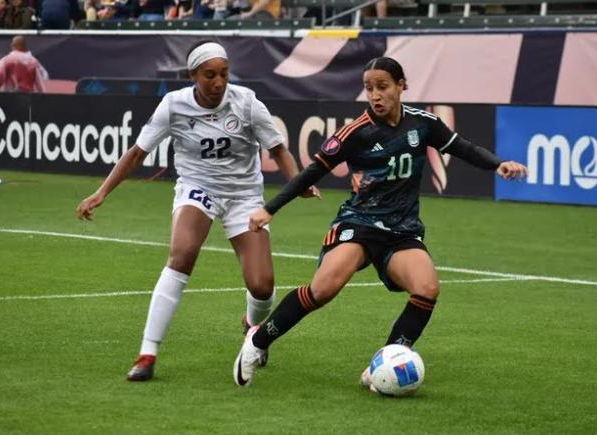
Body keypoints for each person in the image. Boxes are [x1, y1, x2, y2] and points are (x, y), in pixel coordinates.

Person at [233, 56, 527, 388]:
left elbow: (464, 148)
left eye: (382, 87)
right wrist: (270, 208)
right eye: (369, 88)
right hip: (359, 223)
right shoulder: (355, 133)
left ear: (402, 86)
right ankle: (258, 340)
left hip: (402, 231)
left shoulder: (423, 124)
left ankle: (385, 362)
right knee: (324, 288)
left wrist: (498, 164)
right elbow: (313, 172)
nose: (375, 95)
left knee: (427, 288)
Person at [76, 40, 320, 382]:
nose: (218, 82)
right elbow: (136, 153)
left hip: (243, 195)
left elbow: (278, 149)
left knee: (262, 285)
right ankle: (147, 353)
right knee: (182, 254)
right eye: (209, 75)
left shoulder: (247, 102)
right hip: (198, 189)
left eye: (223, 74)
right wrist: (101, 192)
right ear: (193, 75)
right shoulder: (173, 106)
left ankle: (252, 327)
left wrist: (298, 183)